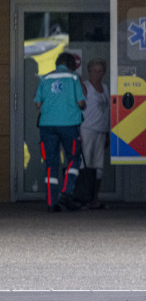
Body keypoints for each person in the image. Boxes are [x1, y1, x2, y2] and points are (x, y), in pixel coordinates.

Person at [34, 52, 86, 212]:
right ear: (72, 65)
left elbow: (37, 104)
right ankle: (67, 192)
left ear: (57, 64)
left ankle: (51, 203)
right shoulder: (74, 78)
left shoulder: (45, 78)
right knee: (74, 159)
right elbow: (81, 102)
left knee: (51, 163)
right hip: (69, 125)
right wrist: (81, 106)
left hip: (47, 126)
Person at [80, 58, 111, 209]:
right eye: (95, 71)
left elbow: (108, 111)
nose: (98, 74)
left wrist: (108, 132)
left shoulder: (105, 88)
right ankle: (83, 198)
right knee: (85, 165)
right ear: (89, 72)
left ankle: (94, 198)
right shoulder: (86, 87)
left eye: (100, 71)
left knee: (99, 167)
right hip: (87, 130)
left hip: (101, 130)